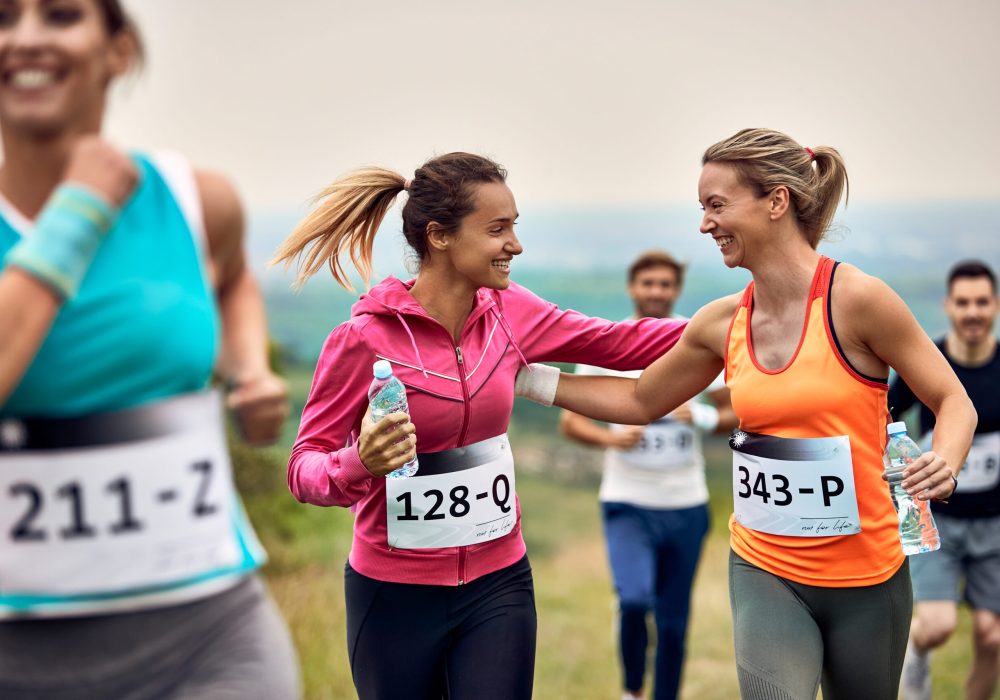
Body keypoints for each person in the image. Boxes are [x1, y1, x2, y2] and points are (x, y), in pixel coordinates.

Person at [515, 128, 977, 699]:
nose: (705, 224)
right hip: (765, 567)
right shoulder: (720, 321)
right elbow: (638, 401)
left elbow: (954, 400)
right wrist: (524, 378)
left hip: (867, 574)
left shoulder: (858, 300)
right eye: (702, 208)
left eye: (717, 205)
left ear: (776, 201)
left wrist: (945, 461)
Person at [271, 152, 687, 700]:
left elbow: (622, 343)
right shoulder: (364, 339)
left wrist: (748, 316)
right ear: (440, 236)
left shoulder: (512, 312)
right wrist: (359, 464)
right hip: (393, 593)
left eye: (514, 226)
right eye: (498, 229)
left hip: (499, 583)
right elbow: (304, 467)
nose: (515, 244)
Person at [0, 1, 299, 698]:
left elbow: (231, 281)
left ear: (118, 52)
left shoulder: (195, 199)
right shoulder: (91, 199)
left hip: (208, 641)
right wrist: (78, 210)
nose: (27, 38)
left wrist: (250, 369)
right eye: (5, 16)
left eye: (63, 15)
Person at [559, 249, 736, 700]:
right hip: (627, 501)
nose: (656, 291)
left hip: (686, 504)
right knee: (635, 601)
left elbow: (734, 412)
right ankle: (633, 691)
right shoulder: (607, 343)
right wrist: (610, 440)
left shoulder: (695, 341)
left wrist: (695, 416)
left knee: (675, 623)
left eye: (665, 284)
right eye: (648, 283)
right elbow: (571, 422)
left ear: (676, 290)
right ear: (632, 288)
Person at [890, 260, 1000, 700]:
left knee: (993, 636)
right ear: (948, 306)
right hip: (935, 521)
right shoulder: (928, 366)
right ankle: (916, 654)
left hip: (995, 526)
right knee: (937, 625)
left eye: (981, 302)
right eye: (963, 302)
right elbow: (885, 415)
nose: (972, 311)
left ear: (994, 306)